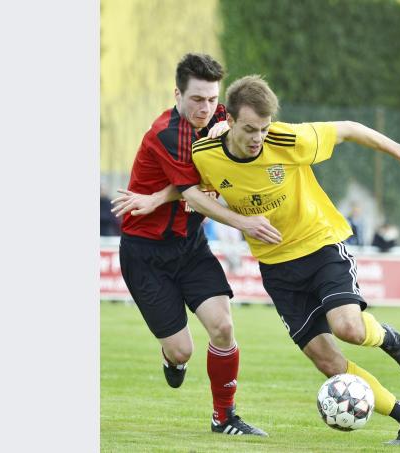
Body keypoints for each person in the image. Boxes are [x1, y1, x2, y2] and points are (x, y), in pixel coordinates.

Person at [114, 75, 400, 445]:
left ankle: (390, 339)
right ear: (230, 122)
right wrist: (157, 198)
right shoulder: (207, 153)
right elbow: (191, 185)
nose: (258, 138)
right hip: (277, 269)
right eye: (250, 129)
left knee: (348, 327)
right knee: (327, 362)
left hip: (320, 246)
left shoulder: (289, 139)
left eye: (264, 129)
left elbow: (349, 129)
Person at [112, 54, 280, 437]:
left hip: (190, 245)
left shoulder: (224, 115)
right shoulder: (165, 134)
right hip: (145, 253)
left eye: (210, 99)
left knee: (222, 327)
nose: (206, 108)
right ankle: (171, 357)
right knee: (183, 350)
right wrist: (244, 223)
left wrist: (157, 197)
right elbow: (198, 192)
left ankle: (224, 418)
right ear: (177, 94)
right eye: (196, 100)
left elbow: (241, 142)